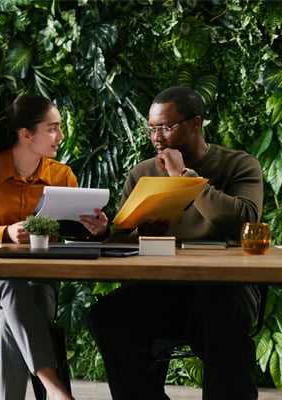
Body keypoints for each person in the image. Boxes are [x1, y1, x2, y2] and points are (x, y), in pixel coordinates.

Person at [87, 86, 264, 400]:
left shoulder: (238, 165)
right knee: (106, 317)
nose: (157, 137)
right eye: (152, 128)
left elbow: (245, 224)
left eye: (166, 127)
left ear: (195, 124)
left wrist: (184, 178)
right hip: (163, 288)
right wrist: (111, 234)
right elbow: (124, 239)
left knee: (218, 312)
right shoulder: (141, 173)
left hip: (227, 287)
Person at [0, 94, 106, 400]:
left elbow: (77, 235)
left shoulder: (62, 176)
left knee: (6, 322)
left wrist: (95, 229)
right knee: (11, 287)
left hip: (40, 288)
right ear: (26, 134)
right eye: (52, 128)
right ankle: (55, 389)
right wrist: (4, 232)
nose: (61, 136)